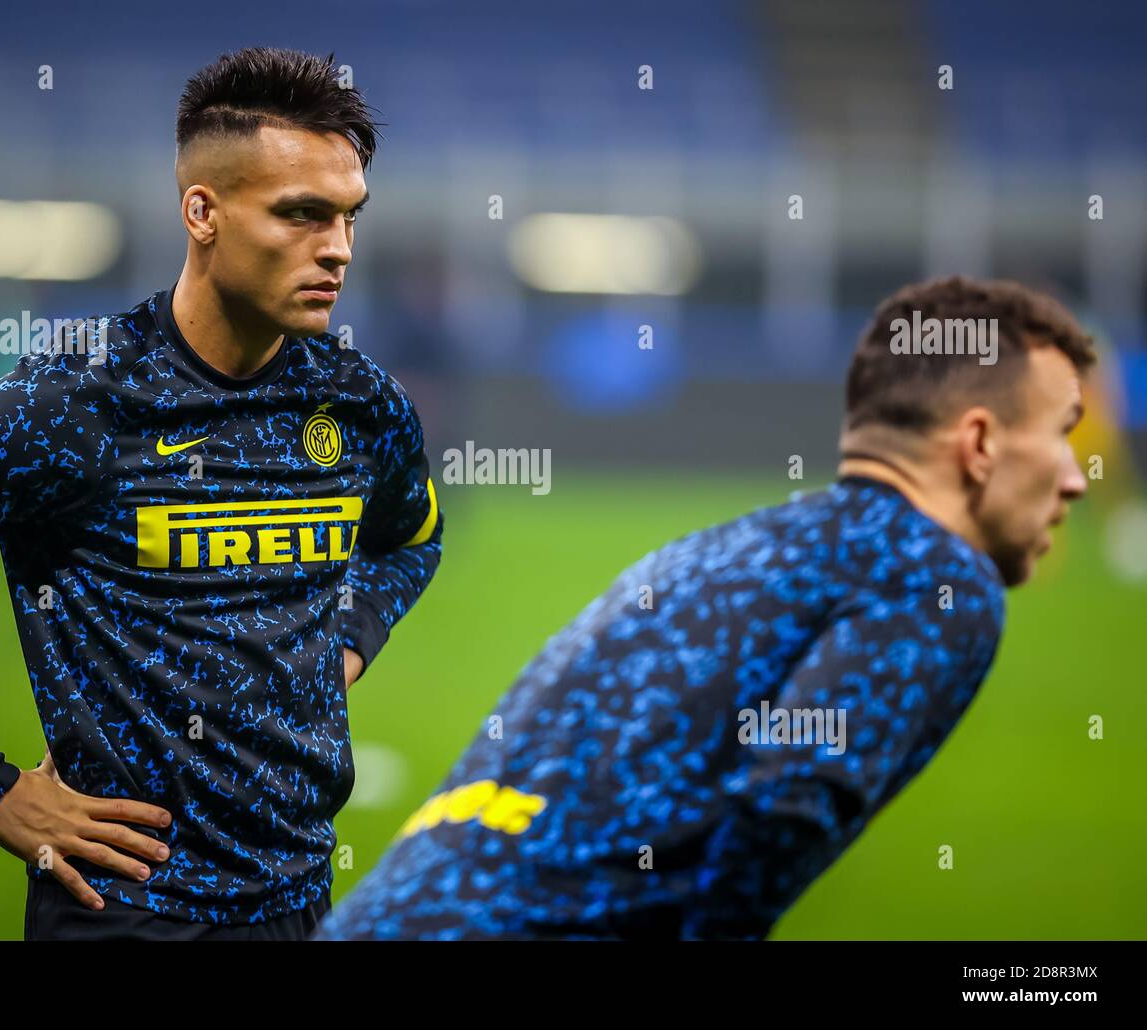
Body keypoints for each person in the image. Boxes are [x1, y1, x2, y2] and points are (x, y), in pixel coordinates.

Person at [0, 47, 443, 941]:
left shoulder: (357, 402)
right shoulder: (70, 403)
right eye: (302, 215)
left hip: (302, 908)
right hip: (123, 914)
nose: (338, 248)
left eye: (351, 217)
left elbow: (413, 538)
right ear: (201, 211)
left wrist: (349, 641)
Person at [316, 276, 1092, 940]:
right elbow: (789, 803)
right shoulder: (936, 574)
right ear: (980, 443)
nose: (1077, 476)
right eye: (1064, 433)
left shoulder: (709, 551)